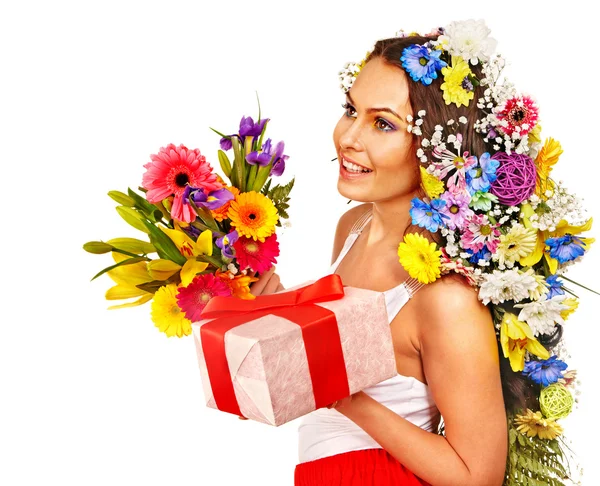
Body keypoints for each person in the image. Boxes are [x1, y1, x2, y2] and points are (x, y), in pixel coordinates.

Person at [249, 21, 584, 486]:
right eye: (352, 110)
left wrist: (343, 393)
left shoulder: (444, 294)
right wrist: (271, 301)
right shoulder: (352, 228)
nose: (348, 136)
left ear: (437, 149)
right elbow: (336, 347)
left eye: (383, 123)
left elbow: (475, 476)